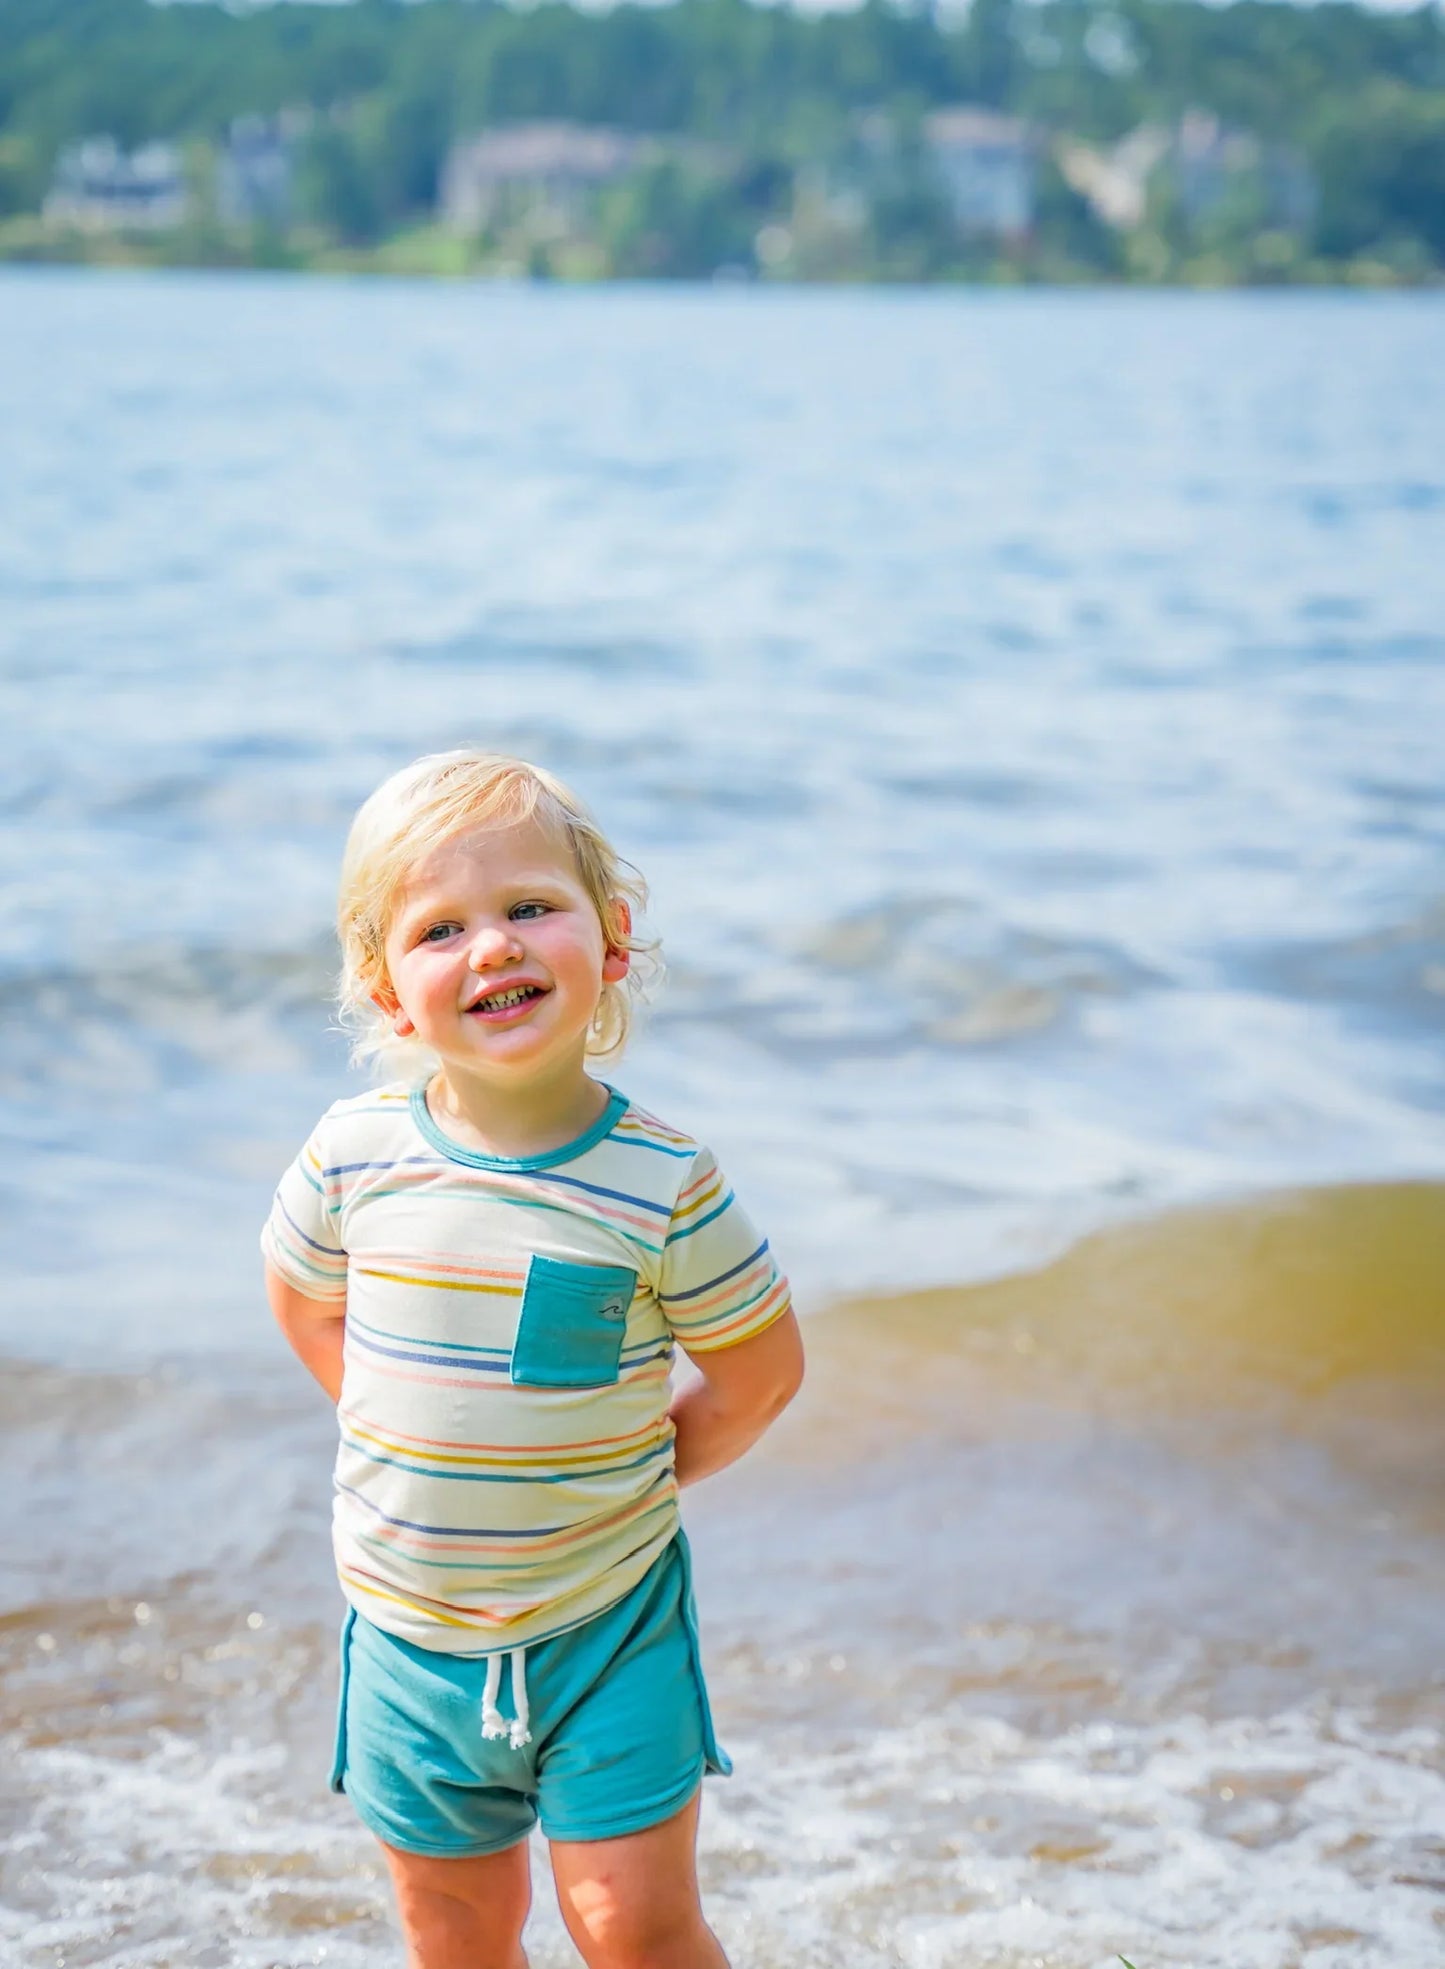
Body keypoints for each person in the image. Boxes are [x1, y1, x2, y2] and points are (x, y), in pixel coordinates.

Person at [261, 749, 804, 1969]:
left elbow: (762, 1370)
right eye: (439, 927)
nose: (493, 946)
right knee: (452, 1931)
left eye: (528, 907)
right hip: (409, 1636)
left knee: (631, 1925)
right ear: (388, 990)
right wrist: (394, 1429)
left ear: (610, 941)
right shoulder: (352, 1156)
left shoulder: (662, 1182)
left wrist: (645, 1466)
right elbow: (301, 1300)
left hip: (603, 1621)